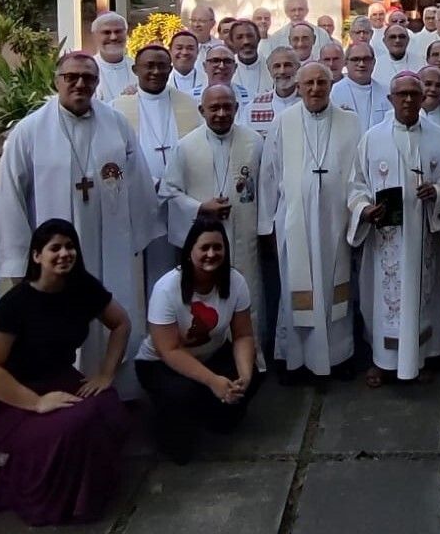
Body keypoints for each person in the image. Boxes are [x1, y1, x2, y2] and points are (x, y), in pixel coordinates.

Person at [0, 52, 157, 398]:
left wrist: (138, 242)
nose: (80, 83)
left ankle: (120, 393)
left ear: (98, 82)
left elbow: (139, 182)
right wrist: (20, 259)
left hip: (111, 245)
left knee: (117, 310)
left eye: (88, 77)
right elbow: (10, 198)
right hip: (58, 258)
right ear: (57, 80)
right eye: (71, 77)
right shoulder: (29, 131)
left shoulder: (115, 123)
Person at [0, 220, 131, 526]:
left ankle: (86, 491)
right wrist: (37, 402)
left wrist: (105, 375)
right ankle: (45, 494)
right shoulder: (14, 304)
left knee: (109, 407)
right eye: (54, 247)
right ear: (36, 256)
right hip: (14, 399)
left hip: (63, 380)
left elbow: (121, 323)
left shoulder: (83, 288)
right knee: (78, 422)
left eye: (70, 246)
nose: (64, 253)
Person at [347, 73, 440, 385]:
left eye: (414, 94)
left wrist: (437, 191)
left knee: (425, 295)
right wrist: (365, 209)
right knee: (382, 298)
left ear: (423, 99)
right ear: (390, 99)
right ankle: (382, 360)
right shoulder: (372, 138)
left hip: (424, 236)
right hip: (385, 239)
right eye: (401, 94)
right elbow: (356, 186)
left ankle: (422, 358)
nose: (408, 99)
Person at [257, 62, 361, 379]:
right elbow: (268, 176)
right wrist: (266, 228)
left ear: (332, 85)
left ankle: (338, 357)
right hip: (293, 223)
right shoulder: (283, 122)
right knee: (296, 290)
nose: (315, 89)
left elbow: (360, 172)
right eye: (309, 83)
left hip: (336, 223)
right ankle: (296, 360)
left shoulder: (351, 122)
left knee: (336, 289)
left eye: (321, 82)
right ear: (298, 87)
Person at [135, 218, 261, 464]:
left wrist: (244, 377)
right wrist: (212, 381)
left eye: (217, 247)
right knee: (183, 399)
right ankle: (166, 420)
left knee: (249, 379)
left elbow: (243, 335)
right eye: (204, 248)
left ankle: (208, 409)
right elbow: (169, 350)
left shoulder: (236, 282)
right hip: (162, 363)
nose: (211, 254)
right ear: (190, 251)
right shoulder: (166, 289)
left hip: (211, 354)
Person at [161, 85, 268, 360]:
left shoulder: (254, 141)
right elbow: (170, 191)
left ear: (236, 108)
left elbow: (267, 188)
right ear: (201, 110)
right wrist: (200, 208)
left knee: (248, 291)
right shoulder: (186, 146)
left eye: (227, 107)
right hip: (205, 240)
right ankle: (206, 356)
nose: (221, 113)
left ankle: (249, 357)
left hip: (244, 235)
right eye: (214, 108)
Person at [112, 45, 202, 296]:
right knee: (148, 271)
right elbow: (115, 158)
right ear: (135, 70)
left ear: (170, 68)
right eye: (148, 66)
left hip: (183, 199)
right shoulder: (118, 108)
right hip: (141, 199)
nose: (155, 71)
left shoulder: (190, 105)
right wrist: (152, 183)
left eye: (162, 65)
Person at [243, 46, 300, 137]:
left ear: (297, 68)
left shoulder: (307, 102)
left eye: (287, 65)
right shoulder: (253, 107)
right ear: (269, 70)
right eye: (277, 66)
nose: (282, 71)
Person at [329, 41, 388, 130]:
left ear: (374, 62)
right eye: (355, 59)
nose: (361, 64)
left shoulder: (385, 92)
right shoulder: (335, 91)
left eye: (366, 59)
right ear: (346, 62)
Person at [261, 0, 332, 57]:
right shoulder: (276, 37)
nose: (297, 13)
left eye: (300, 9)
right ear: (286, 12)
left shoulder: (321, 34)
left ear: (307, 11)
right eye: (293, 10)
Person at [90, 12, 136, 101]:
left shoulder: (138, 68)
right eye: (106, 32)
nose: (113, 37)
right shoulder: (87, 69)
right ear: (95, 36)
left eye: (118, 31)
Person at [203, 42, 252, 111]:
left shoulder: (251, 98)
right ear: (205, 66)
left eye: (227, 61)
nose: (222, 66)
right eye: (215, 61)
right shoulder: (191, 98)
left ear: (235, 67)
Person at [231, 19, 272, 95]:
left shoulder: (272, 65)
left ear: (258, 39)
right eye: (240, 37)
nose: (246, 42)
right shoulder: (226, 67)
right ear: (232, 42)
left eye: (250, 36)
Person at [374, 23, 417, 89]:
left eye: (402, 37)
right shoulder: (375, 65)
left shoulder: (422, 62)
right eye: (392, 37)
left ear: (408, 40)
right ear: (384, 41)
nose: (397, 40)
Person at [168, 30, 205, 99]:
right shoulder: (162, 81)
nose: (184, 52)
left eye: (190, 48)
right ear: (170, 51)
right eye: (179, 48)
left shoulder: (207, 81)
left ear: (197, 52)